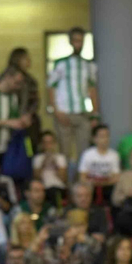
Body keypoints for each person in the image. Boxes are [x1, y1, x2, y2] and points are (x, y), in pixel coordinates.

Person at [46, 27, 98, 173]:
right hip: (64, 113)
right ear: (70, 42)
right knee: (65, 153)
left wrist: (94, 113)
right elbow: (51, 87)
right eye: (75, 40)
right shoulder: (60, 63)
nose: (78, 44)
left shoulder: (89, 65)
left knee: (84, 152)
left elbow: (92, 90)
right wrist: (56, 111)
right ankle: (66, 190)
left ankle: (83, 189)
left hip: (82, 113)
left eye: (80, 41)